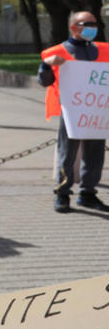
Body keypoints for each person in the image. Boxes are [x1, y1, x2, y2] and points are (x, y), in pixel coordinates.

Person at [38, 11, 109, 213]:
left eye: (95, 24)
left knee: (95, 155)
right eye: (87, 24)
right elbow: (44, 82)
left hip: (98, 112)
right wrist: (46, 65)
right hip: (72, 112)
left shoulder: (104, 51)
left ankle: (87, 193)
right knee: (67, 153)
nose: (92, 28)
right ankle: (62, 193)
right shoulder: (59, 52)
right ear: (73, 27)